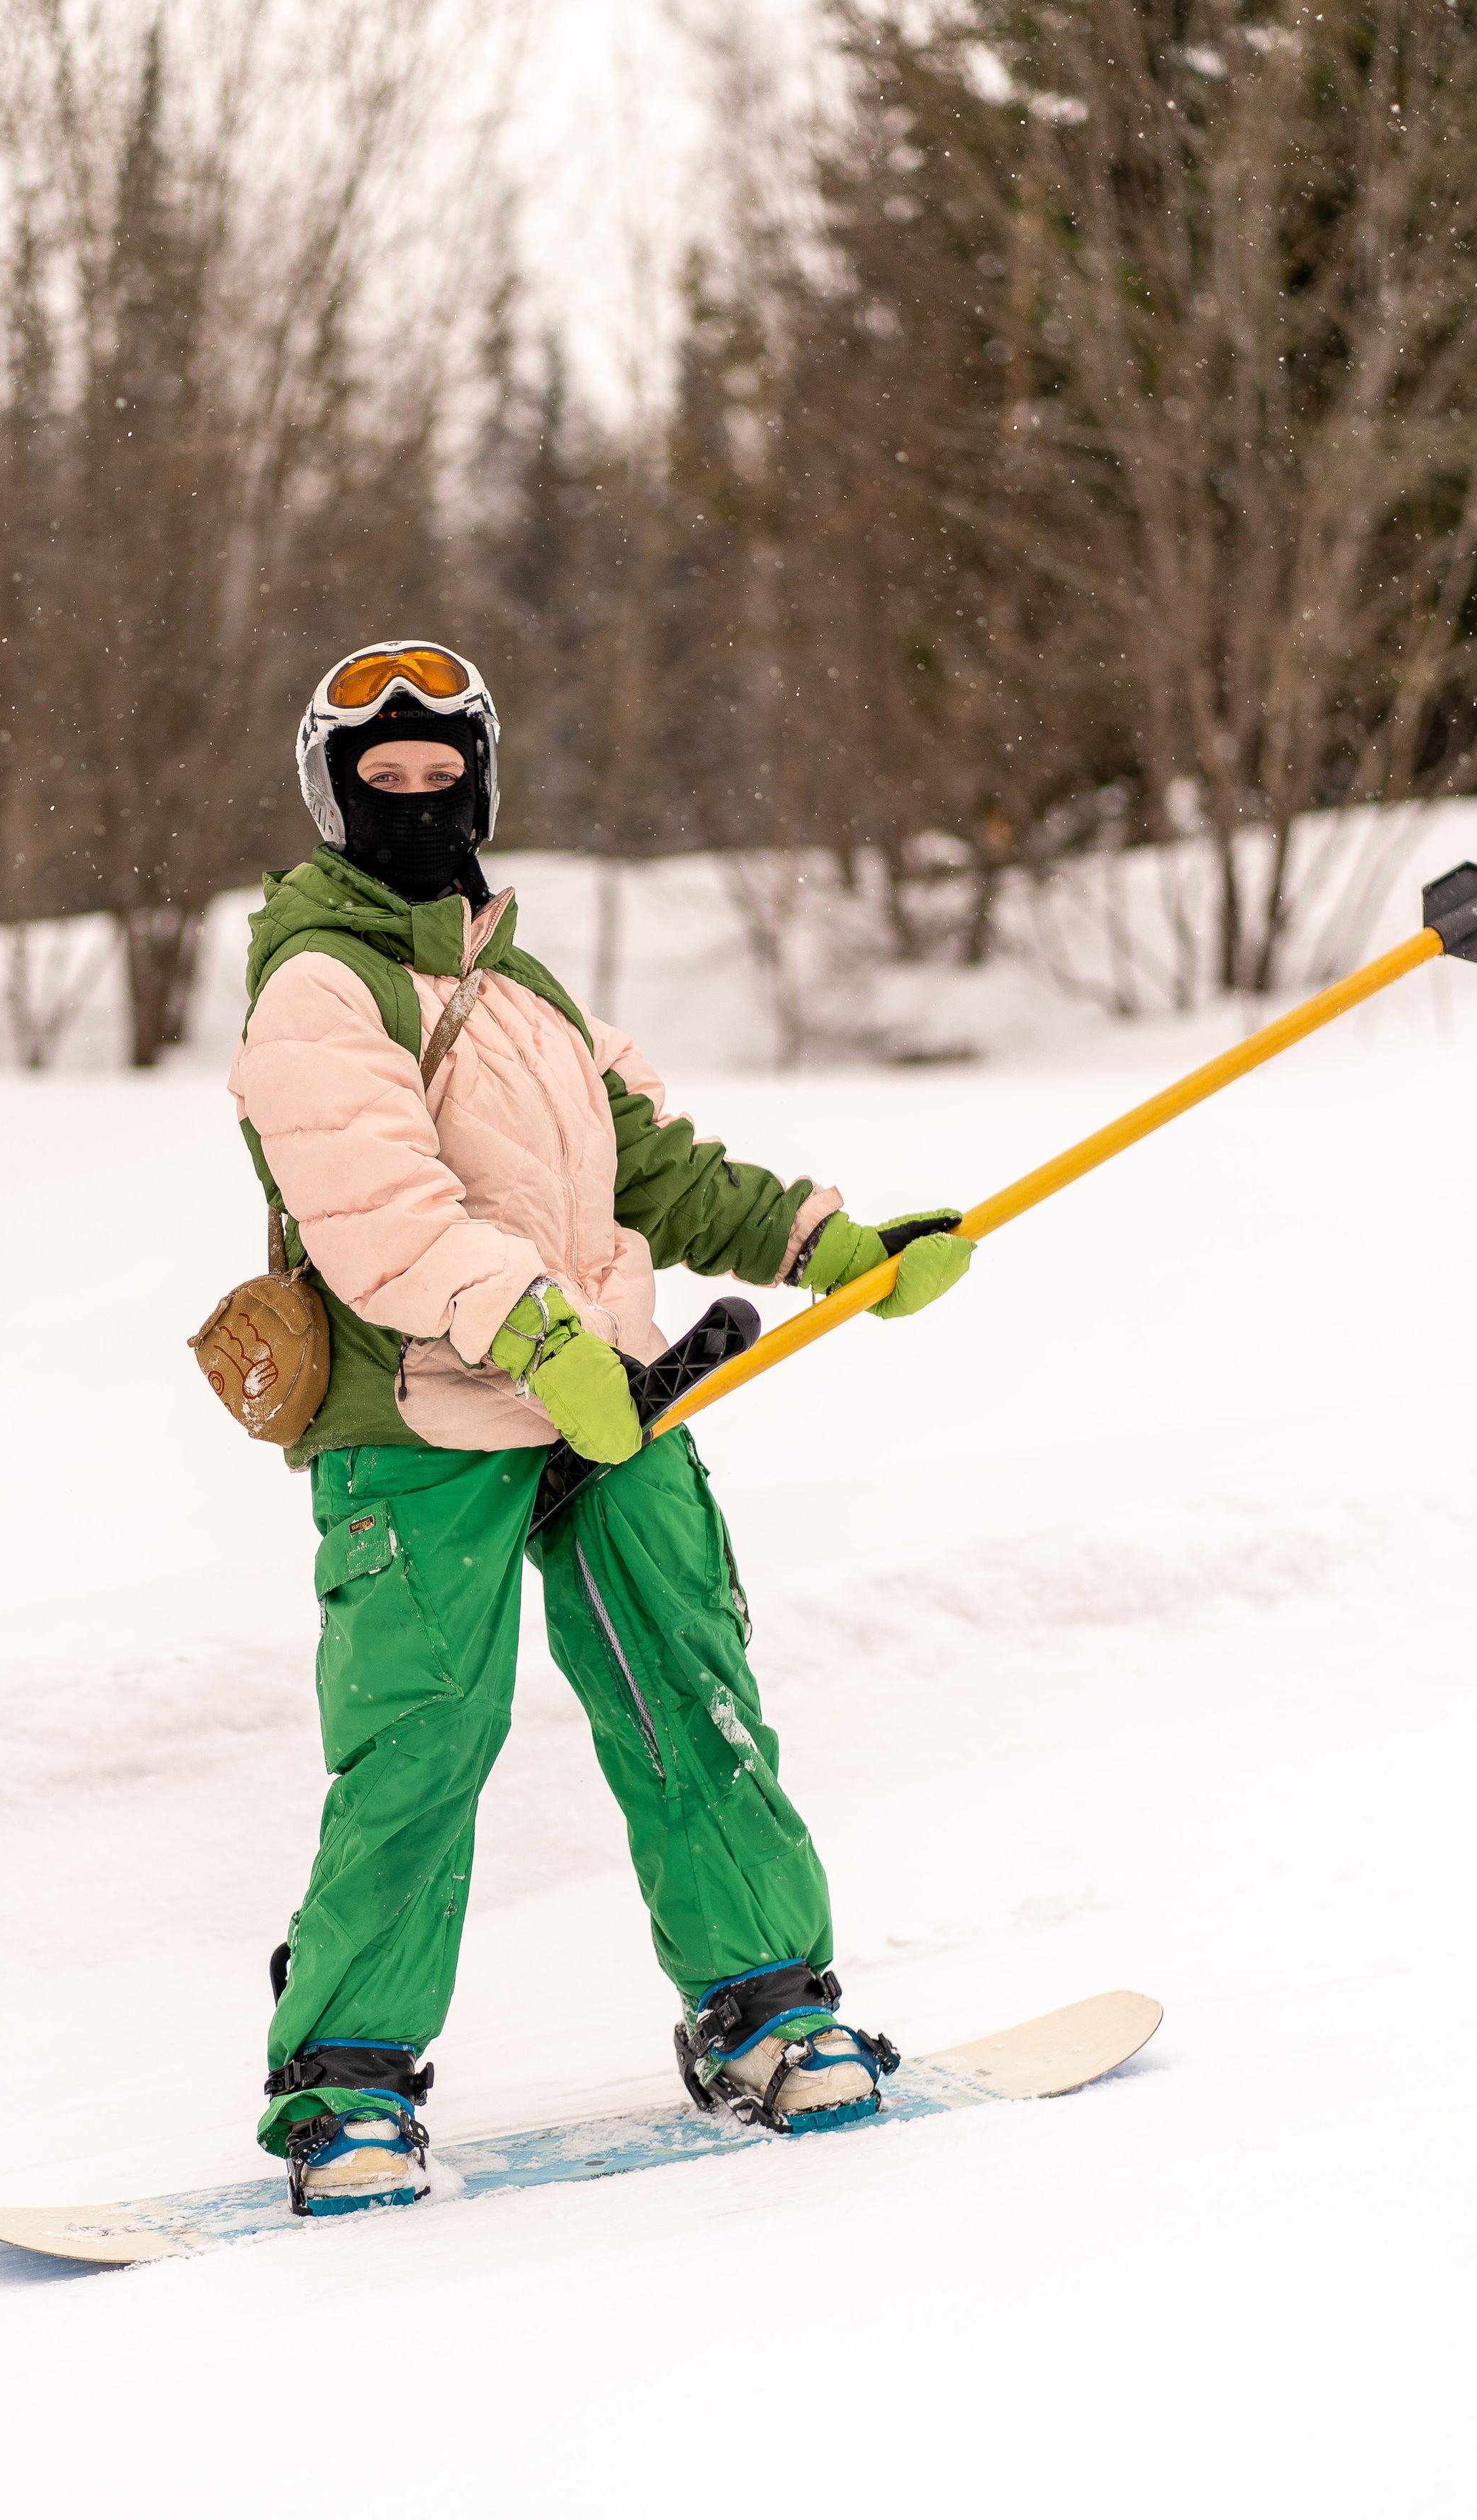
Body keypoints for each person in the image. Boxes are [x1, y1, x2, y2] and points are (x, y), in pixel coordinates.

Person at [228, 639, 972, 2214]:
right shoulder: (317, 980)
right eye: (385, 784)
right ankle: (345, 2084)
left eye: (444, 780)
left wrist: (822, 1243)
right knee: (421, 1746)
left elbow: (652, 1167)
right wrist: (528, 1326)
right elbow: (373, 1212)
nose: (418, 808)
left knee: (689, 1695)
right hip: (423, 1423)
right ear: (331, 794)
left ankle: (763, 2004)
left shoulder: (519, 985)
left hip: (611, 1403)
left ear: (481, 787)